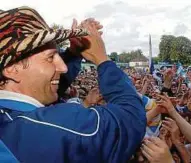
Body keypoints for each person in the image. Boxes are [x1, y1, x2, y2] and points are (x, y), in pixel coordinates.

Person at [0, 6, 146, 163]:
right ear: (12, 69)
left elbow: (39, 86)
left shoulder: (10, 119)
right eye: (50, 57)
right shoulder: (55, 127)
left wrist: (73, 53)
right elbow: (130, 118)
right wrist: (102, 59)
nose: (63, 67)